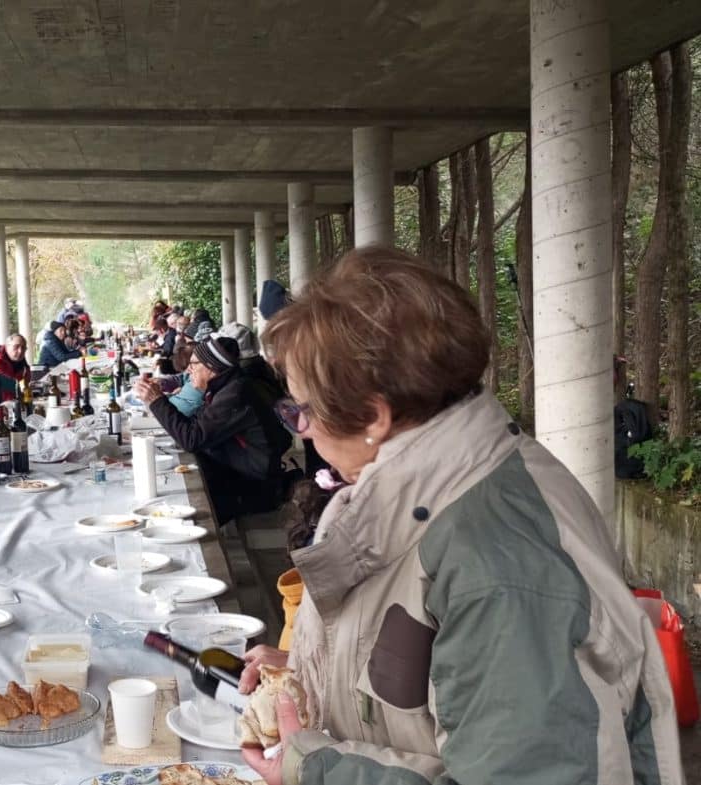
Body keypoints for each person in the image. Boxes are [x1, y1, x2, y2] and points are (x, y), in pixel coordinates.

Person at [237, 248, 682, 785]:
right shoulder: (433, 488)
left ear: (374, 416)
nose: (301, 430)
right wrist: (318, 673)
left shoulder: (499, 565)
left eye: (300, 412)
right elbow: (440, 684)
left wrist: (317, 769)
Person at [133, 335, 291, 524]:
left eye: (193, 364)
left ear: (212, 368)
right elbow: (194, 427)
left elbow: (192, 439)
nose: (188, 370)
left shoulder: (235, 394)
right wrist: (160, 401)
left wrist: (157, 402)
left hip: (252, 485)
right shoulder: (224, 388)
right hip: (234, 472)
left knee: (180, 508)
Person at [0, 334, 30, 402]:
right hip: (3, 403)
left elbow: (26, 381)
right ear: (7, 347)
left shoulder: (21, 360)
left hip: (17, 399)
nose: (20, 351)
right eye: (16, 347)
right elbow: (10, 385)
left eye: (23, 348)